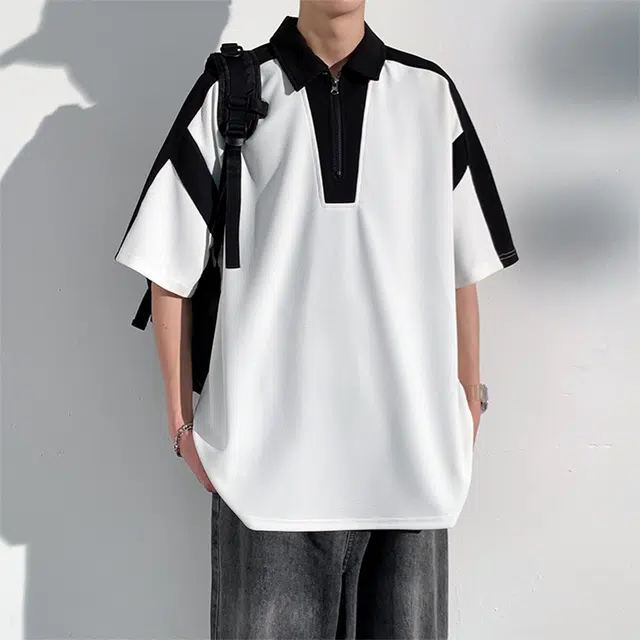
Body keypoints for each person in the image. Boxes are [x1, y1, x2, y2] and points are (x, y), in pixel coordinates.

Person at [114, 1, 519, 638]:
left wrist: (470, 400)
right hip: (265, 477)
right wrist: (180, 421)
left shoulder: (429, 95)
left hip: (411, 468)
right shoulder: (235, 92)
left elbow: (462, 266)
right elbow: (167, 261)